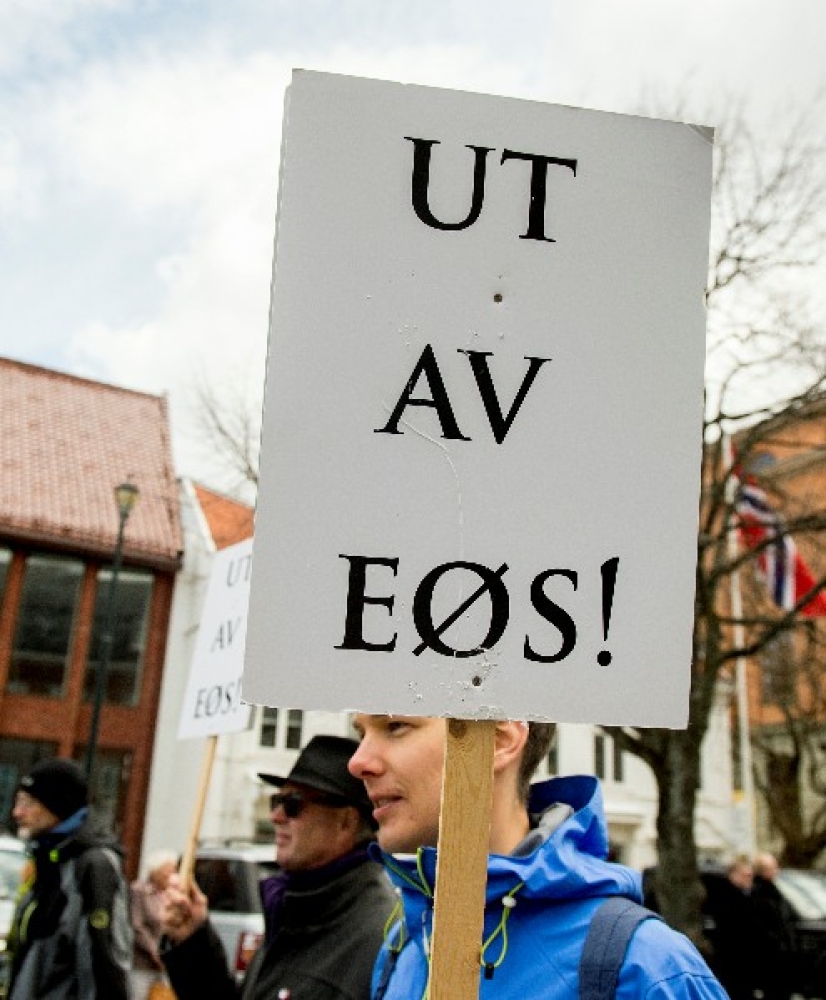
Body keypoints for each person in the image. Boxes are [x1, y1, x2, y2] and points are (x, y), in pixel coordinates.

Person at [348, 715, 729, 999]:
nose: (358, 761)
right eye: (360, 733)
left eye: (395, 726)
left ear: (498, 741)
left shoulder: (645, 964)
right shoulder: (404, 942)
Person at [161, 734, 396, 1000]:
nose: (276, 816)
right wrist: (193, 940)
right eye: (277, 801)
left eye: (293, 804)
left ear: (346, 822)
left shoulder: (380, 936)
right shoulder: (295, 907)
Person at [8, 757, 132, 999]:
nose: (17, 812)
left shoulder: (93, 866)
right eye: (18, 801)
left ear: (57, 807)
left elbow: (103, 967)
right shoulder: (49, 861)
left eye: (29, 803)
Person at [703, 856, 758, 1000]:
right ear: (734, 875)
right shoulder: (726, 897)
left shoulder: (747, 895)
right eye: (746, 875)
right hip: (732, 957)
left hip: (742, 958)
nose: (749, 879)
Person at [131, 848, 179, 1000]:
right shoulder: (139, 891)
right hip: (142, 964)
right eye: (168, 871)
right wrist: (155, 954)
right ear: (156, 871)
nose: (172, 876)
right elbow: (137, 925)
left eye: (174, 871)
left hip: (167, 965)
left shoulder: (173, 894)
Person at [751, 852, 797, 1000]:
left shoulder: (773, 891)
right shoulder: (759, 894)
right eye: (773, 868)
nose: (777, 871)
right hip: (771, 957)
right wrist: (779, 944)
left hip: (780, 955)